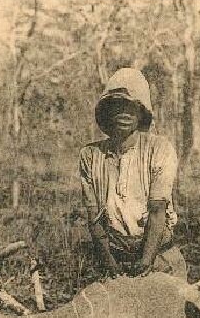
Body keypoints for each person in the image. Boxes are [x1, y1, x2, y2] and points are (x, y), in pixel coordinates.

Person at [79, 68, 187, 279]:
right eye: (116, 106)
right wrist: (109, 265)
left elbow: (157, 210)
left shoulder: (159, 149)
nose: (124, 113)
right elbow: (94, 217)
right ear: (107, 112)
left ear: (141, 112)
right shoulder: (91, 156)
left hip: (158, 259)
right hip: (114, 261)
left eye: (131, 106)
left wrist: (146, 261)